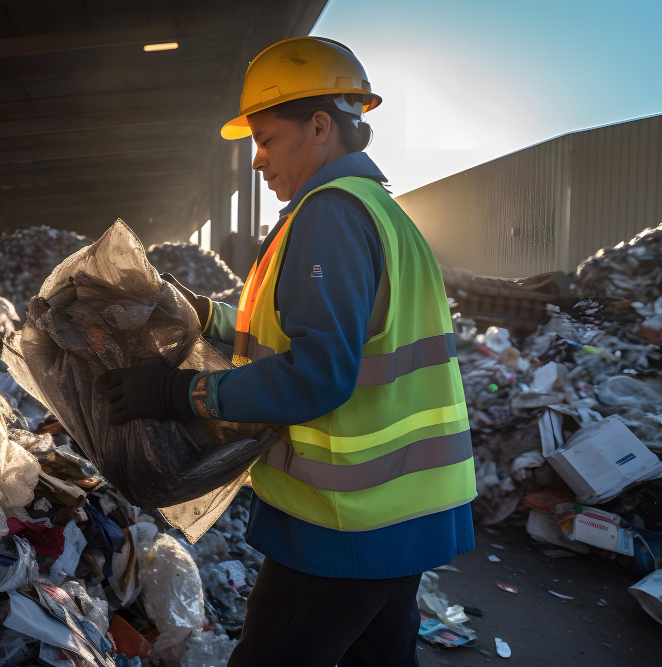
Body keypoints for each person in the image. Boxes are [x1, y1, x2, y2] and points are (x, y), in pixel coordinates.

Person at [103, 37, 476, 666]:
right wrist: (203, 316)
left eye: (268, 139)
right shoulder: (379, 212)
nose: (257, 160)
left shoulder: (329, 216)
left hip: (348, 521)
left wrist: (177, 393)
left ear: (321, 126)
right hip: (408, 509)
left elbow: (318, 375)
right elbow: (299, 333)